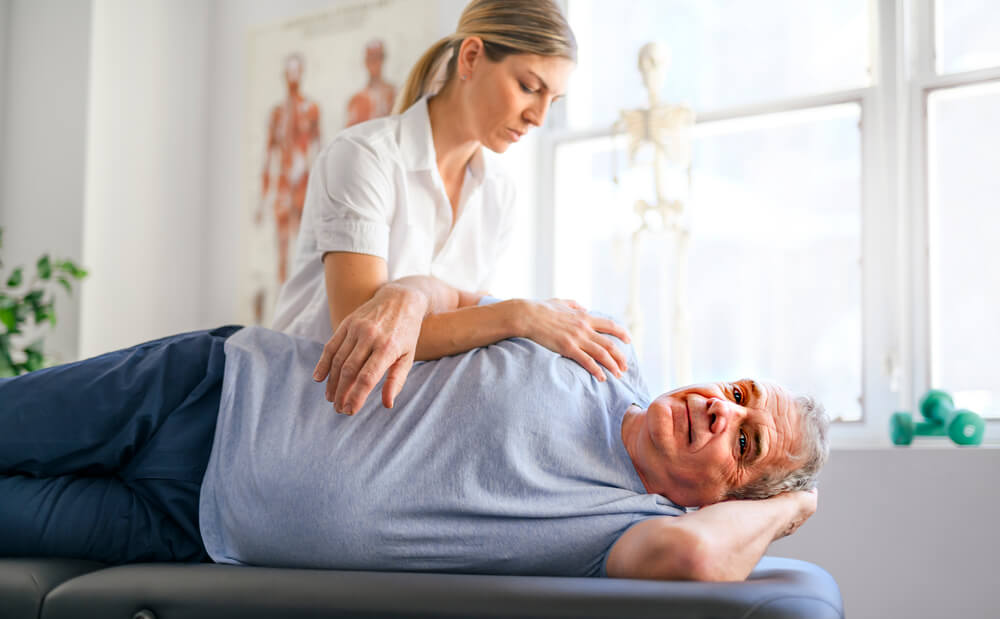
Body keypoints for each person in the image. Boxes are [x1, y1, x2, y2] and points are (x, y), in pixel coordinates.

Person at [0, 308, 826, 578]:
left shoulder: (626, 525)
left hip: (191, 528)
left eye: (746, 442)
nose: (721, 408)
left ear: (721, 498)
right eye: (738, 392)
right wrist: (511, 312)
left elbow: (697, 560)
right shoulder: (595, 350)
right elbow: (431, 297)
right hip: (207, 386)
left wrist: (795, 502)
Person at [271, 0, 632, 429]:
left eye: (552, 100)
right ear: (472, 57)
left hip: (390, 426)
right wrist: (520, 316)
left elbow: (459, 330)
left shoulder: (499, 194)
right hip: (293, 411)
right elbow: (361, 333)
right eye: (529, 87)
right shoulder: (364, 157)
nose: (538, 117)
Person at [255, 52, 321, 290]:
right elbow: (268, 155)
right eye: (289, 71)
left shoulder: (311, 109)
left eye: (296, 71)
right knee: (282, 249)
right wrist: (261, 200)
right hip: (283, 187)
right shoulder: (277, 114)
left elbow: (318, 151)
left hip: (303, 187)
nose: (292, 77)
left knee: (306, 252)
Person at [345, 39, 397, 128]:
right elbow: (349, 132)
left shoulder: (393, 94)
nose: (374, 62)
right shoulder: (357, 99)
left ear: (382, 60)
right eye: (371, 58)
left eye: (377, 57)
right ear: (366, 61)